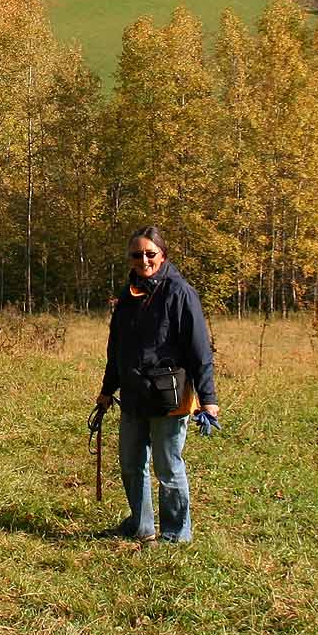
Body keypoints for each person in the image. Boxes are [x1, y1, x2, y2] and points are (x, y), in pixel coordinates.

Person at [96, 226, 218, 545]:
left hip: (170, 397)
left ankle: (176, 534)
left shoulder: (180, 292)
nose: (144, 260)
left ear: (163, 255)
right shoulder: (128, 295)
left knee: (168, 468)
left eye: (150, 253)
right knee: (131, 465)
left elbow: (199, 350)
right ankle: (141, 525)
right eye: (137, 255)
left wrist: (208, 399)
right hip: (134, 396)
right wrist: (108, 390)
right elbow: (117, 348)